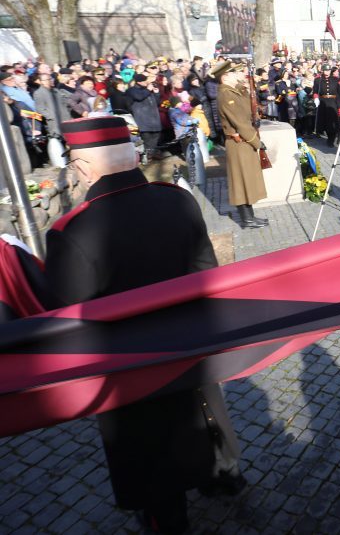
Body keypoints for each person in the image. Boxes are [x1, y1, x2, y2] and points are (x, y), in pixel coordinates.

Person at [44, 116, 245, 534]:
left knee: (149, 448)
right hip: (189, 342)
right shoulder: (177, 200)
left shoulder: (72, 231)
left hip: (129, 364)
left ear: (82, 167)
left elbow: (69, 322)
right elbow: (205, 271)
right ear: (133, 155)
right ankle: (222, 476)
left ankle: (168, 519)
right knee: (204, 410)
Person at [213, 60, 269, 229]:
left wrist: (246, 88)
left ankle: (250, 217)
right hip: (239, 143)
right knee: (240, 182)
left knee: (246, 182)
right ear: (225, 77)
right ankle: (247, 219)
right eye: (235, 73)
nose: (239, 75)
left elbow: (247, 110)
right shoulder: (226, 95)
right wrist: (256, 142)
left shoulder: (233, 91)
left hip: (244, 142)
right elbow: (240, 122)